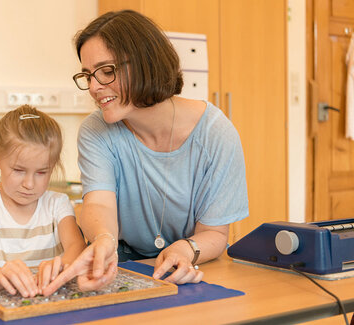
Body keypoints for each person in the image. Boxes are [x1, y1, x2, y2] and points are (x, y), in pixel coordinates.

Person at [42, 10, 248, 295]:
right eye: (87, 75)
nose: (93, 87)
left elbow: (214, 234)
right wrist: (103, 240)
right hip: (125, 257)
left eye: (106, 71)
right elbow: (98, 204)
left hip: (192, 260)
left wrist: (186, 249)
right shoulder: (96, 130)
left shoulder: (216, 134)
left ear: (144, 64)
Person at [0, 105, 86, 298]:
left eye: (42, 172)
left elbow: (77, 248)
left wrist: (61, 267)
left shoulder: (58, 204)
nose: (29, 184)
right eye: (18, 170)